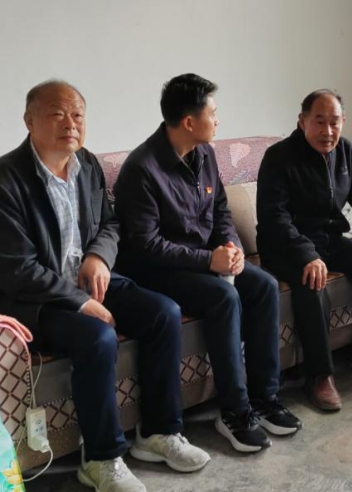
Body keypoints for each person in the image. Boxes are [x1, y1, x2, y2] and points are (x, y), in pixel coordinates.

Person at [0, 80, 209, 492]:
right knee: (98, 337)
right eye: (57, 114)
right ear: (29, 121)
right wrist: (79, 302)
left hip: (89, 281)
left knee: (164, 312)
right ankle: (101, 458)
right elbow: (15, 269)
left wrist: (99, 256)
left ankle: (158, 433)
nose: (70, 123)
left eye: (78, 114)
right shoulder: (3, 179)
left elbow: (111, 224)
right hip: (34, 298)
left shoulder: (87, 164)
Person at [114, 73, 302, 454]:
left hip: (204, 260)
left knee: (263, 285)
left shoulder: (205, 154)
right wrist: (209, 261)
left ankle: (265, 397)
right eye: (213, 113)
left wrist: (231, 247)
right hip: (158, 270)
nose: (218, 120)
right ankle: (234, 411)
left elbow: (220, 212)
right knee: (223, 297)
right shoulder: (142, 169)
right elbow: (147, 245)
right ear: (189, 121)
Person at [256, 89, 352, 412]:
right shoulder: (278, 157)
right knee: (312, 283)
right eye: (319, 121)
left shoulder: (345, 151)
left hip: (329, 240)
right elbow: (273, 217)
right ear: (302, 121)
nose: (328, 130)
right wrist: (306, 254)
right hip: (286, 246)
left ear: (343, 122)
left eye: (334, 122)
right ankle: (319, 375)